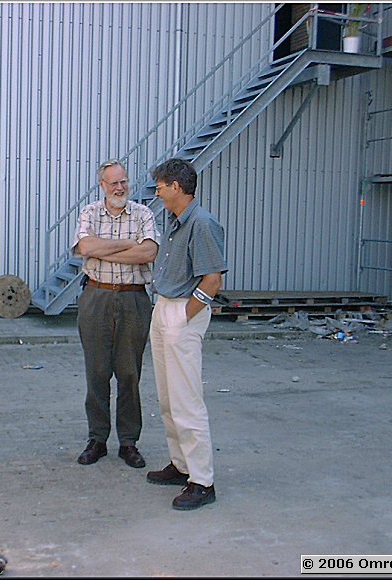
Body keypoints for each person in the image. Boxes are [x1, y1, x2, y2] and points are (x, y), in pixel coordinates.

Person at [146, 158, 228, 510]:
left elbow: (213, 280)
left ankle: (202, 481)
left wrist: (183, 315)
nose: (157, 192)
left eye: (160, 186)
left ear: (176, 187)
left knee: (186, 401)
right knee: (168, 399)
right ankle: (181, 465)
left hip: (181, 312)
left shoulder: (203, 223)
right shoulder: (178, 221)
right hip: (164, 307)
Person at [71, 159, 160, 468]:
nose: (120, 187)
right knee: (96, 372)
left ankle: (128, 442)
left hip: (134, 300)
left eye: (124, 181)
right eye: (113, 183)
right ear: (102, 186)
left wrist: (104, 247)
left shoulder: (144, 214)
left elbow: (148, 252)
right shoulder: (89, 213)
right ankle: (97, 439)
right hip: (96, 296)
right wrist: (126, 244)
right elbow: (85, 247)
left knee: (129, 373)